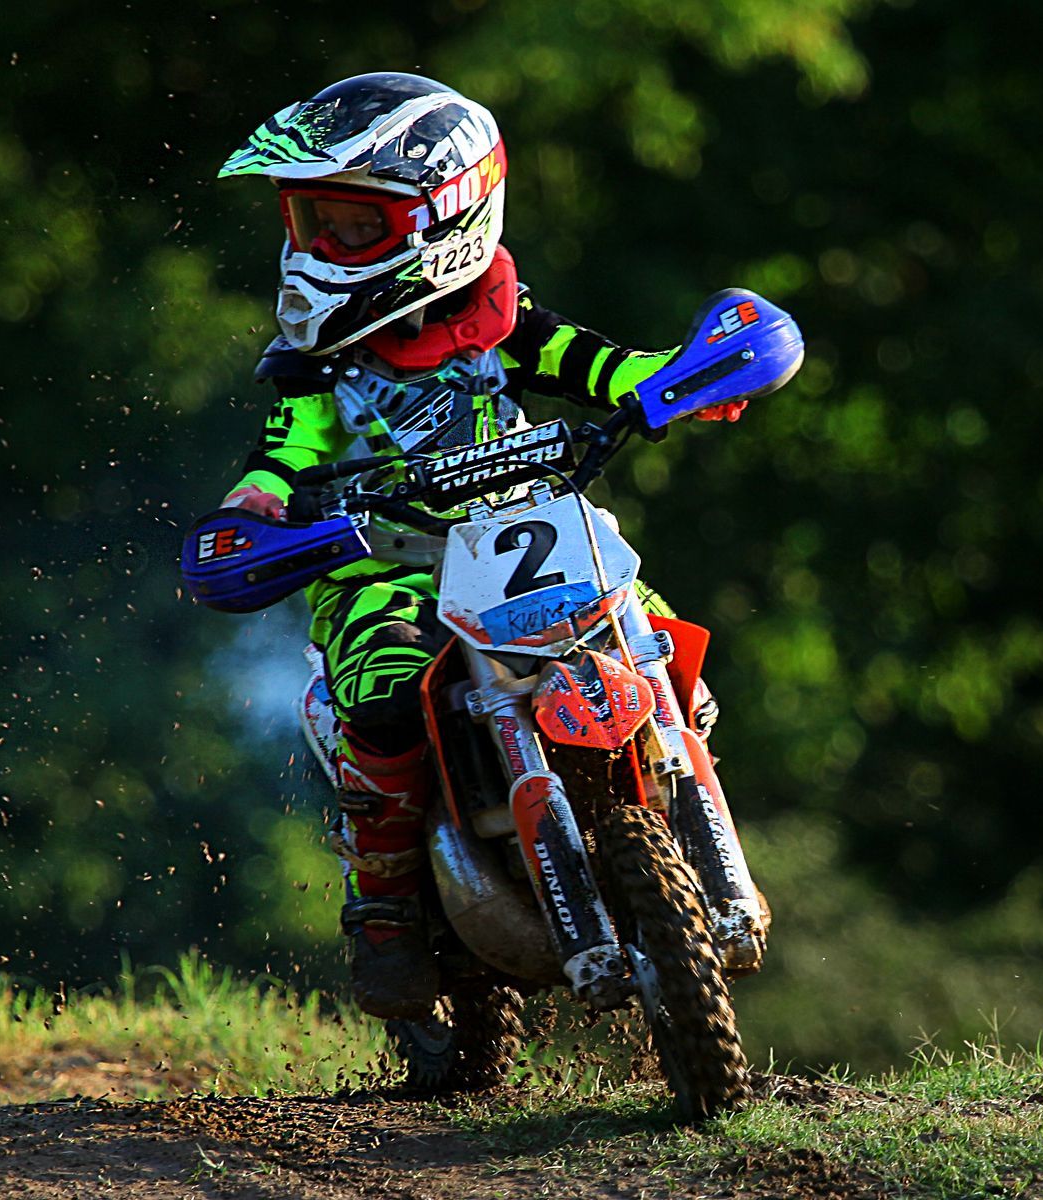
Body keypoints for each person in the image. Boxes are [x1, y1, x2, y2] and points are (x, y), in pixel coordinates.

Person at [214, 72, 740, 1020]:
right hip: (387, 561)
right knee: (383, 692)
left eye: (353, 227)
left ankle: (678, 800)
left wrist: (687, 378)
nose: (321, 248)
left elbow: (605, 366)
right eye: (312, 222)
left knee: (667, 648)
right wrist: (257, 503)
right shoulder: (320, 373)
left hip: (529, 533)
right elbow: (287, 453)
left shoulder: (502, 324)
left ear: (444, 215)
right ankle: (382, 903)